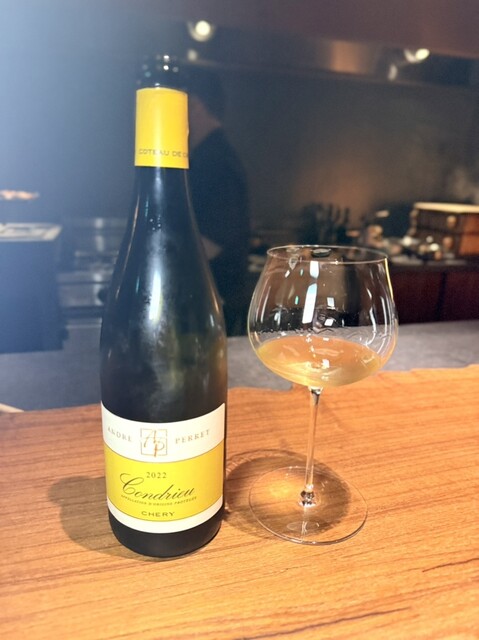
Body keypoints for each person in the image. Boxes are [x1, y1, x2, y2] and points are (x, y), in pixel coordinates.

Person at [186, 66, 250, 335]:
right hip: (211, 301)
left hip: (214, 303)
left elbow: (213, 241)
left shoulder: (214, 161)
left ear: (195, 105)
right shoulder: (212, 155)